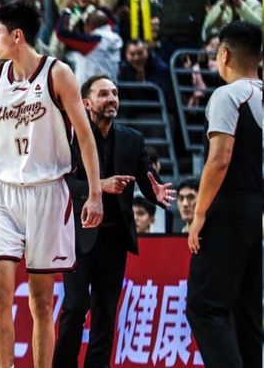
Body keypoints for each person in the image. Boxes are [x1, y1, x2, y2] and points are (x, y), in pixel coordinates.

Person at [0, 0, 103, 368]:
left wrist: (95, 194)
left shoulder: (58, 74)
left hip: (47, 192)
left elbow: (85, 136)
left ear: (16, 36)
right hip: (1, 194)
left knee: (41, 301)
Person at [53, 75, 175, 368]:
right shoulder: (71, 138)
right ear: (86, 103)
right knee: (75, 307)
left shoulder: (133, 139)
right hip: (79, 236)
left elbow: (147, 178)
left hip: (114, 238)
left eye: (115, 93)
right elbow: (61, 184)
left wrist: (156, 191)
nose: (112, 99)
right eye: (104, 94)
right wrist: (100, 185)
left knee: (106, 314)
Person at [186, 21, 263, 368]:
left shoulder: (228, 94)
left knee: (205, 308)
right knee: (247, 313)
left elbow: (219, 158)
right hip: (256, 212)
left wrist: (200, 213)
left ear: (224, 55)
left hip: (229, 209)